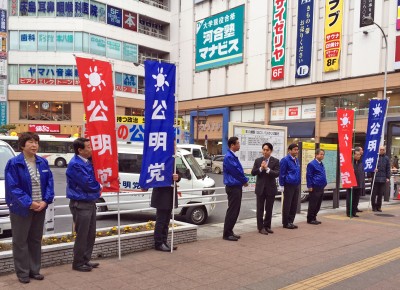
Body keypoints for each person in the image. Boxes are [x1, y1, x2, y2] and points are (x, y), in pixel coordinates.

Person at [5, 132, 54, 284]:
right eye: (31, 142)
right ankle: (23, 272)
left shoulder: (42, 162)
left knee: (35, 240)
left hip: (40, 207)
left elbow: (49, 183)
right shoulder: (14, 163)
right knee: (20, 241)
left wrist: (46, 201)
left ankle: (34, 270)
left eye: (36, 142)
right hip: (22, 209)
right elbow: (13, 187)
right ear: (22, 145)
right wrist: (29, 203)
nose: (34, 145)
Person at [66, 138, 102, 272]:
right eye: (88, 147)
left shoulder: (86, 162)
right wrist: (100, 185)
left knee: (90, 234)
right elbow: (88, 183)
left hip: (89, 201)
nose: (91, 148)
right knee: (82, 234)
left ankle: (86, 259)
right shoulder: (76, 164)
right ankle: (78, 262)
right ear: (80, 150)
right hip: (81, 203)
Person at [223, 136, 249, 241]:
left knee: (235, 210)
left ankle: (230, 231)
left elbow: (238, 171)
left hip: (236, 186)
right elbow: (236, 171)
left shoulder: (232, 156)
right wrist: (244, 180)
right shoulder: (229, 157)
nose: (239, 145)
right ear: (232, 145)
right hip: (233, 186)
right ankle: (227, 234)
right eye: (237, 143)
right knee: (232, 210)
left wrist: (243, 180)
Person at [251, 142, 280, 235]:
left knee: (269, 208)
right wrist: (260, 168)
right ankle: (260, 227)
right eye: (264, 149)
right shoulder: (258, 160)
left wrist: (267, 169)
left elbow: (277, 173)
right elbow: (253, 172)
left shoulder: (275, 161)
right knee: (260, 209)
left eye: (267, 150)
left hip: (270, 188)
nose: (265, 151)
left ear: (271, 151)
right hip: (260, 188)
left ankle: (267, 226)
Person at [151, 173, 180, 252]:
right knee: (161, 220)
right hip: (161, 195)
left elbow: (177, 174)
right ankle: (158, 243)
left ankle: (164, 241)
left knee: (166, 221)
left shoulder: (171, 161)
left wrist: (177, 177)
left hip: (170, 194)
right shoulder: (159, 162)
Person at [279, 143, 301, 229]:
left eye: (297, 149)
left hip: (296, 184)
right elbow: (282, 173)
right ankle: (285, 222)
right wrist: (281, 185)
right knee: (287, 204)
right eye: (295, 149)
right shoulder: (285, 160)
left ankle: (291, 221)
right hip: (288, 184)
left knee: (294, 204)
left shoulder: (296, 160)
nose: (296, 151)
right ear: (289, 150)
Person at [306, 149, 327, 225]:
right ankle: (310, 218)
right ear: (316, 155)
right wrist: (309, 186)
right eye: (321, 154)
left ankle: (314, 217)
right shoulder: (312, 164)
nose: (322, 156)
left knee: (318, 204)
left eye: (323, 154)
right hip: (314, 187)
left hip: (321, 186)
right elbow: (309, 176)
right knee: (313, 204)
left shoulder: (321, 163)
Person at [371, 146, 391, 212]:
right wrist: (373, 170)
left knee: (380, 194)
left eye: (383, 150)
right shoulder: (375, 157)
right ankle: (373, 206)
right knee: (373, 194)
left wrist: (388, 177)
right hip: (375, 178)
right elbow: (371, 166)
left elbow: (388, 168)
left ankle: (378, 206)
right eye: (380, 149)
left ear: (385, 150)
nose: (382, 151)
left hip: (383, 178)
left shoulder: (386, 158)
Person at [346, 150, 365, 217]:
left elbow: (362, 173)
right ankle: (349, 213)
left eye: (359, 154)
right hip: (351, 184)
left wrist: (362, 183)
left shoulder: (361, 163)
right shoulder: (350, 162)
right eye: (356, 154)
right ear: (353, 155)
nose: (358, 156)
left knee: (356, 199)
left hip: (358, 184)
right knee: (350, 199)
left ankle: (354, 212)